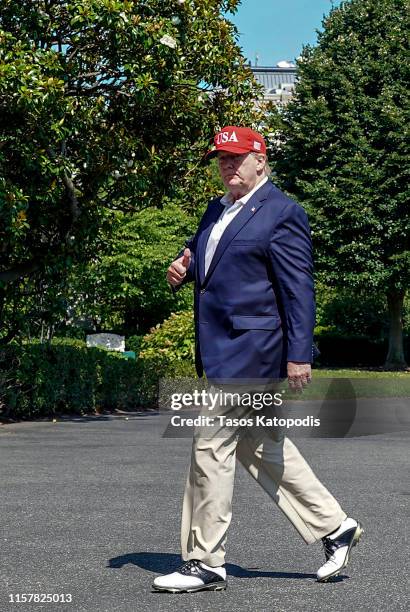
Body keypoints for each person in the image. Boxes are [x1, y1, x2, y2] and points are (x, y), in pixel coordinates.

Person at [152, 126, 363, 593]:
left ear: (260, 160)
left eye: (235, 158)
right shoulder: (217, 210)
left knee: (209, 441)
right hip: (223, 349)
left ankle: (205, 563)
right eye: (221, 159)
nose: (227, 166)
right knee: (258, 446)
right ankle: (335, 527)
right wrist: (183, 265)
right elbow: (204, 253)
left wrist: (299, 354)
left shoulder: (283, 214)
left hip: (255, 351)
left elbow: (297, 289)